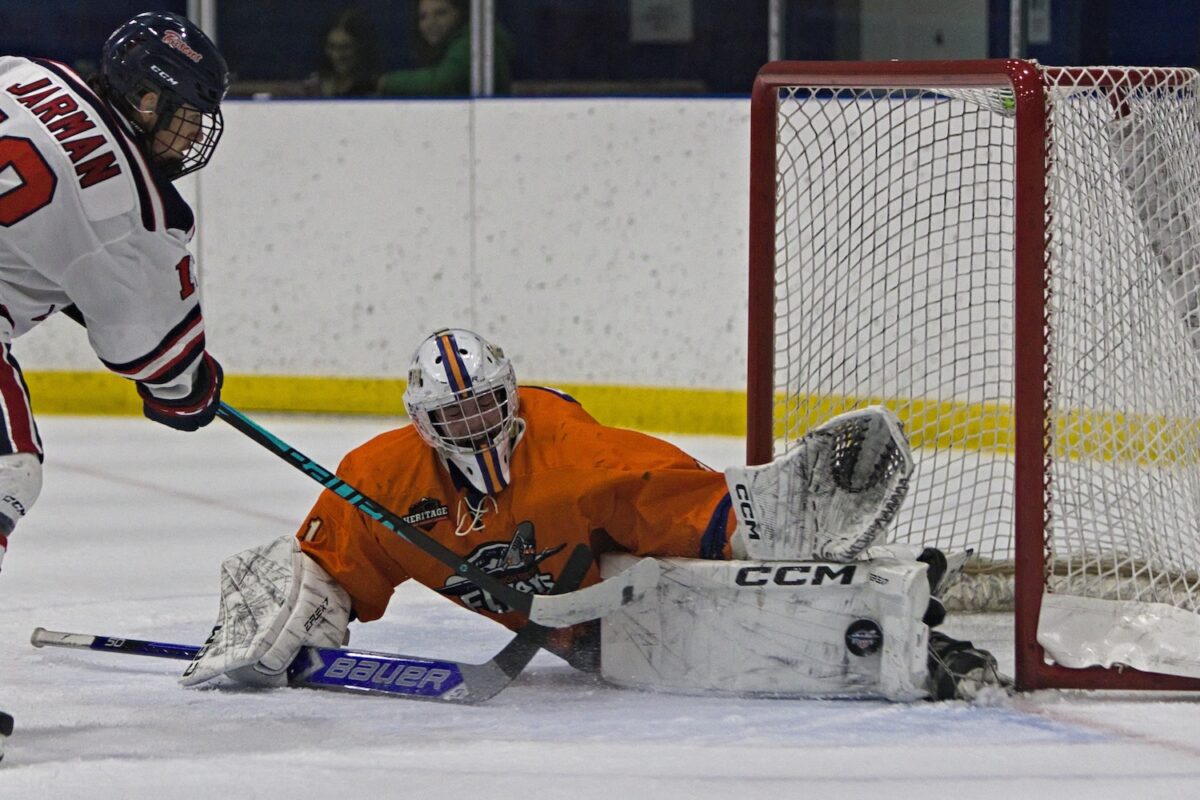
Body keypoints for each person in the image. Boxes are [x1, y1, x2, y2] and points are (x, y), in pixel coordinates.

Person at [183, 328, 1008, 702]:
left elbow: (710, 518)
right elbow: (326, 566)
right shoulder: (381, 479)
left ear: (510, 400)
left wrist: (765, 517)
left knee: (726, 577)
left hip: (618, 594)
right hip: (574, 633)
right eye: (452, 416)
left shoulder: (577, 456)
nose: (472, 427)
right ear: (422, 422)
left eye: (485, 409)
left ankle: (894, 631)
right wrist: (291, 609)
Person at [0, 8, 230, 757]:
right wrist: (196, 388)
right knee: (5, 468)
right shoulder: (131, 211)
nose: (191, 138)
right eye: (185, 117)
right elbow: (169, 380)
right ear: (145, 99)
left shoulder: (30, 72)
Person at [377, 0, 513, 97]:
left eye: (441, 13)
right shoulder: (447, 48)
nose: (430, 23)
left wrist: (386, 82)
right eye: (423, 17)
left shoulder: (472, 41)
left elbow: (442, 83)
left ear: (460, 14)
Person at [312, 9, 382, 97]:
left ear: (361, 48)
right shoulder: (315, 86)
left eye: (345, 47)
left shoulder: (377, 89)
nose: (337, 55)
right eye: (331, 46)